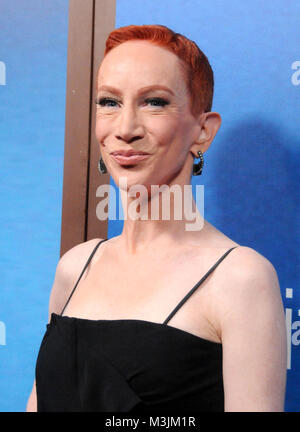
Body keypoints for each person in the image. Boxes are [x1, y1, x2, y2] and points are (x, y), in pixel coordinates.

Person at [26, 24, 287, 412]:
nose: (125, 129)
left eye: (154, 102)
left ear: (202, 131)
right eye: (109, 102)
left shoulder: (240, 278)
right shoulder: (75, 267)